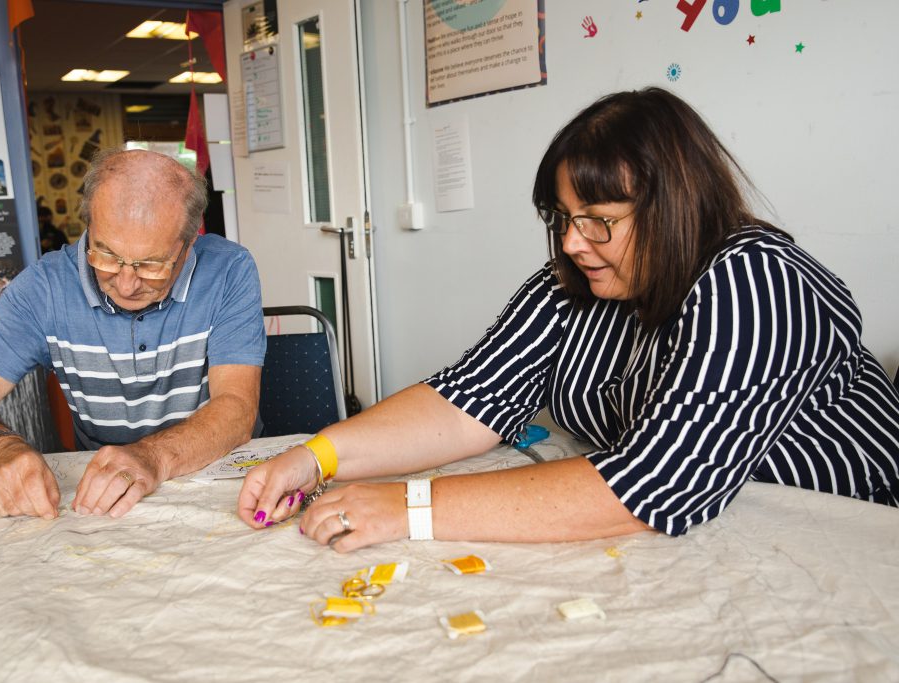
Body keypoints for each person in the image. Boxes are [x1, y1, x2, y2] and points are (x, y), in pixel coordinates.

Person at [237, 87, 899, 552]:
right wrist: (317, 454)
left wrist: (411, 506)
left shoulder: (755, 280)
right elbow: (466, 399)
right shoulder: (573, 284)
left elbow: (657, 484)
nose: (573, 243)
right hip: (718, 535)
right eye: (563, 218)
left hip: (841, 532)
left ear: (674, 209)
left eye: (599, 222)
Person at [0, 149, 266, 520]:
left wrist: (152, 456)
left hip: (212, 479)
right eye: (105, 254)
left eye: (151, 264)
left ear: (189, 243)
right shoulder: (45, 287)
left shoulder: (229, 269)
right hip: (101, 498)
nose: (125, 283)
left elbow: (237, 408)